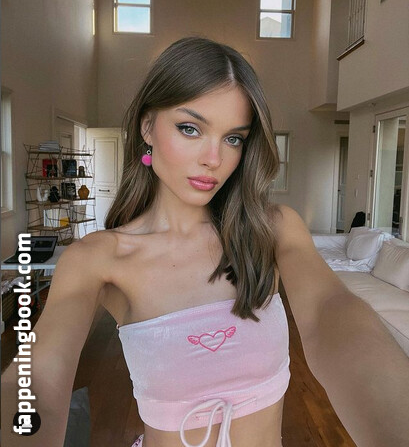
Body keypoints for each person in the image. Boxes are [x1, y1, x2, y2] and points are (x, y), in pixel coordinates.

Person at [2, 37, 409, 447]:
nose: (213, 159)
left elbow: (330, 310)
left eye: (233, 138)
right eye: (190, 128)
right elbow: (37, 377)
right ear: (147, 127)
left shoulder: (272, 229)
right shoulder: (97, 258)